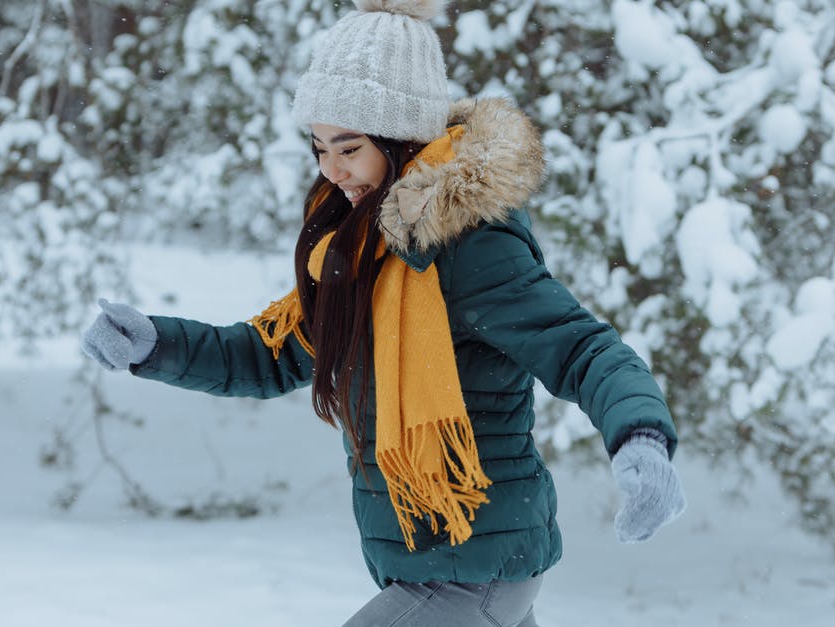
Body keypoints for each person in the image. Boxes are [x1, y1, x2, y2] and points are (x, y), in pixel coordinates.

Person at [80, 0, 685, 624]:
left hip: (469, 569)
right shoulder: (357, 252)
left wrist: (640, 439)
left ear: (399, 138)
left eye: (349, 148)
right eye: (319, 147)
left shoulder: (467, 245)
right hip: (438, 567)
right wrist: (155, 345)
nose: (331, 170)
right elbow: (268, 356)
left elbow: (581, 349)